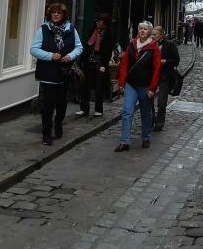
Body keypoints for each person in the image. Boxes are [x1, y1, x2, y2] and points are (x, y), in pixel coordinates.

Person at [31, 3, 83, 146]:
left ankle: (58, 124)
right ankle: (46, 133)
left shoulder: (71, 29)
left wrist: (71, 56)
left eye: (59, 13)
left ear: (63, 15)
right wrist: (50, 55)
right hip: (48, 73)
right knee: (47, 106)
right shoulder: (43, 29)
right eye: (53, 12)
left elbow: (79, 47)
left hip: (64, 73)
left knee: (61, 104)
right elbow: (34, 49)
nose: (56, 15)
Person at [115, 21, 161, 151]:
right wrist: (122, 83)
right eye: (140, 28)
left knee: (145, 113)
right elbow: (124, 65)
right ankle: (125, 142)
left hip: (145, 86)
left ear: (150, 32)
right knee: (127, 112)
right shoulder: (132, 45)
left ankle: (146, 137)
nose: (142, 31)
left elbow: (157, 69)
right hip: (131, 84)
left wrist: (152, 88)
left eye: (145, 29)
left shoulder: (153, 48)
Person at [77, 13, 114, 118]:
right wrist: (82, 61)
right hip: (89, 62)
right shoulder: (92, 31)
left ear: (105, 23)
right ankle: (84, 109)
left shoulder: (108, 35)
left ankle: (98, 109)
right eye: (97, 20)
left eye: (100, 21)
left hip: (99, 63)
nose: (98, 22)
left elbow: (107, 52)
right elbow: (87, 46)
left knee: (99, 87)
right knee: (85, 86)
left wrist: (104, 65)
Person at [151, 26, 180, 131]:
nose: (153, 36)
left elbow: (176, 60)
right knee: (148, 99)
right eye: (152, 34)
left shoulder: (169, 45)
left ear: (161, 35)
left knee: (161, 101)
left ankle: (159, 122)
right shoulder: (150, 45)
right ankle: (151, 118)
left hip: (164, 76)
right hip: (152, 75)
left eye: (155, 34)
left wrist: (165, 61)